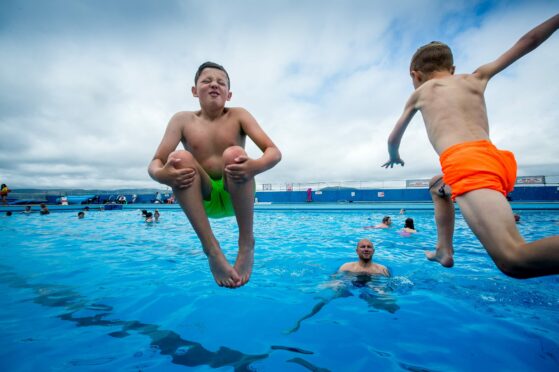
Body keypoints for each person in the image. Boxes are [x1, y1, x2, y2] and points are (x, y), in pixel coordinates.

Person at [382, 14, 559, 279]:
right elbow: (529, 40)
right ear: (452, 68)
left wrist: (394, 156)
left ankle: (446, 250)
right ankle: (444, 250)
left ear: (415, 75)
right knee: (436, 186)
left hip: (467, 163)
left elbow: (393, 138)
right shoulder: (477, 77)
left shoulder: (421, 92)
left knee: (514, 260)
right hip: (493, 159)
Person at [148, 61, 282, 288]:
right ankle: (211, 249)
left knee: (235, 154)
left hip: (236, 193)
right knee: (179, 159)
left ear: (229, 94)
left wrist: (254, 166)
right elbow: (155, 163)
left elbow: (274, 152)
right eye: (206, 81)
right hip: (203, 196)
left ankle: (246, 244)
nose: (214, 85)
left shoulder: (239, 115)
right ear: (194, 90)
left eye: (221, 82)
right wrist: (163, 176)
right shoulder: (182, 120)